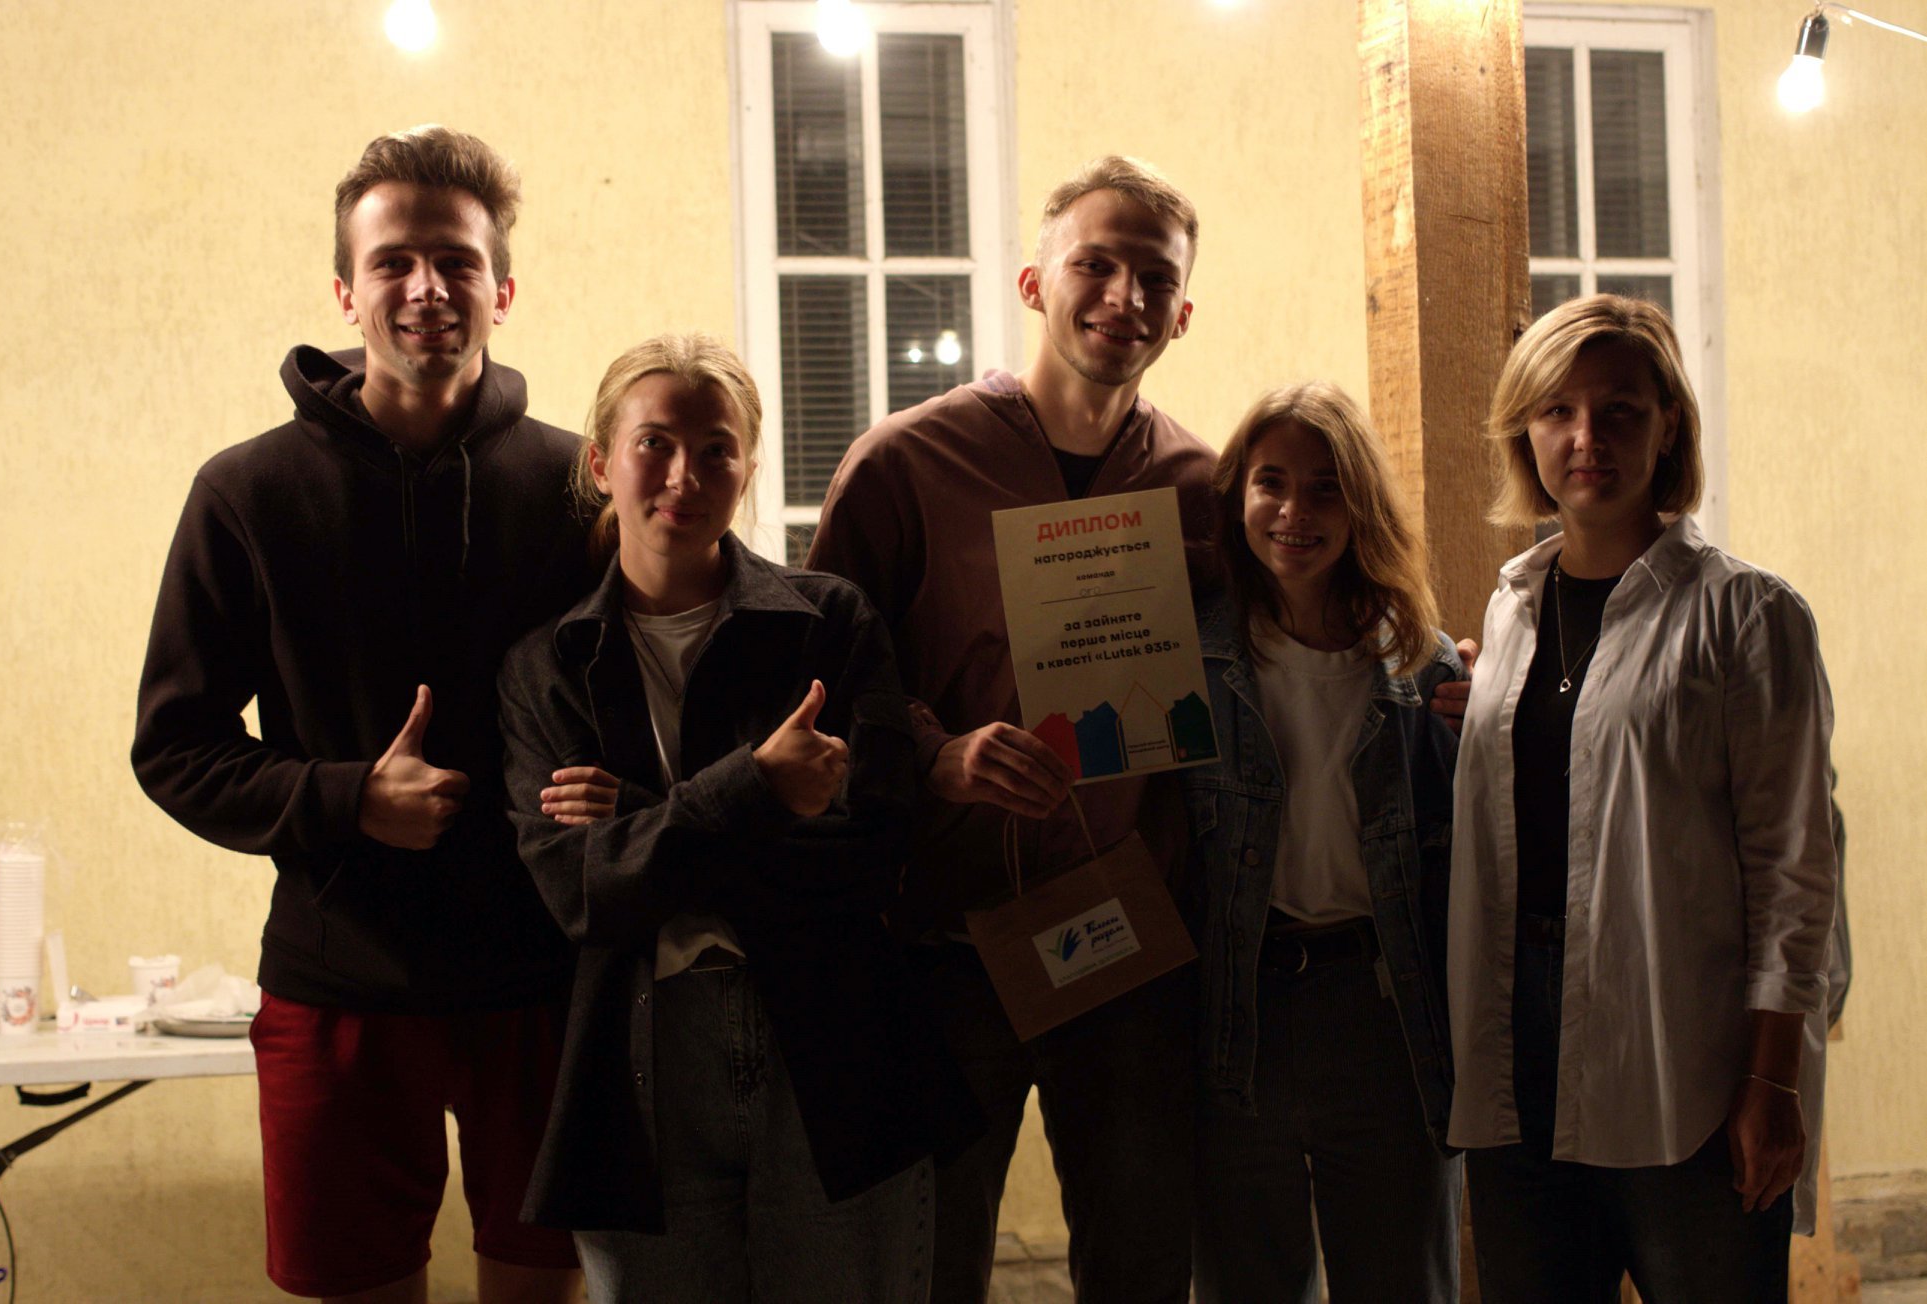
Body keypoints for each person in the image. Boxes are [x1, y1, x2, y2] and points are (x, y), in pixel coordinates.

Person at [131, 126, 586, 1303]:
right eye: (393, 261)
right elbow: (174, 745)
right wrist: (347, 799)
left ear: (503, 290)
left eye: (457, 260)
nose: (427, 286)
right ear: (346, 291)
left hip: (545, 981)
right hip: (341, 980)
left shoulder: (579, 487)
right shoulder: (246, 491)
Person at [806, 156, 1214, 1304]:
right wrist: (934, 752)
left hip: (1127, 943)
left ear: (1183, 312)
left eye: (1155, 277)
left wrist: (1429, 671)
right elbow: (822, 674)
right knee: (929, 1265)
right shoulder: (906, 463)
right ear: (1035, 283)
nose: (1124, 296)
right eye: (1096, 264)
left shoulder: (1200, 485)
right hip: (945, 941)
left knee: (1141, 1264)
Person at [498, 334, 971, 1304]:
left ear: (749, 468)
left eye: (716, 449)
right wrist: (755, 787)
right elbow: (583, 892)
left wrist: (642, 819)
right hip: (639, 1056)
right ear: (601, 462)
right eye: (655, 443)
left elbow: (871, 857)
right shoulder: (547, 667)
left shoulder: (830, 623)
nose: (685, 475)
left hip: (837, 1043)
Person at [1448, 295, 1837, 1302]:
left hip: (1683, 1057)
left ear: (1668, 426)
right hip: (1515, 1050)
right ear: (1524, 430)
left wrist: (1773, 1079)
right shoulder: (1510, 608)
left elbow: (1795, 870)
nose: (1587, 437)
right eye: (1558, 410)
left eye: (1620, 409)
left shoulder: (1746, 613)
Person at [1183, 382, 1464, 1303]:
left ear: (1362, 505)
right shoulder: (1190, 660)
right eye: (1271, 482)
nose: (1293, 512)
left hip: (1383, 1014)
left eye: (1324, 488)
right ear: (1237, 494)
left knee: (1399, 1282)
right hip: (1236, 1011)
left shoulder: (1423, 667)